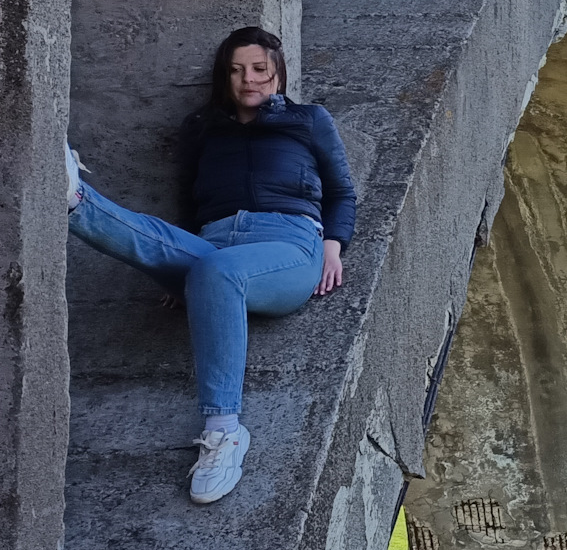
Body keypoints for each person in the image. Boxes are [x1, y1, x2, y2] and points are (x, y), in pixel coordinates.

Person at [66, 26, 357, 504]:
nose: (249, 81)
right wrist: (182, 264)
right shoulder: (202, 127)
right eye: (237, 71)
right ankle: (75, 198)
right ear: (224, 78)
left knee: (217, 271)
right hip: (213, 243)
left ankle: (224, 432)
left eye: (260, 69)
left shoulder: (308, 120)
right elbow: (188, 200)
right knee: (164, 243)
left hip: (288, 244)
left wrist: (333, 243)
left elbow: (342, 190)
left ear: (277, 74)